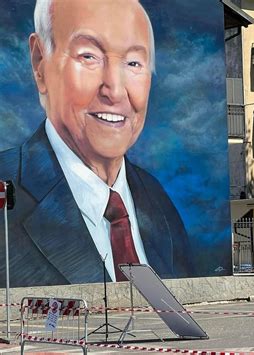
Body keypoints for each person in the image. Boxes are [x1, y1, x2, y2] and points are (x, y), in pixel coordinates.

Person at [0, 0, 193, 287]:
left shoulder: (160, 205)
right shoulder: (6, 194)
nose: (114, 90)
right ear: (40, 62)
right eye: (89, 56)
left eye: (133, 63)